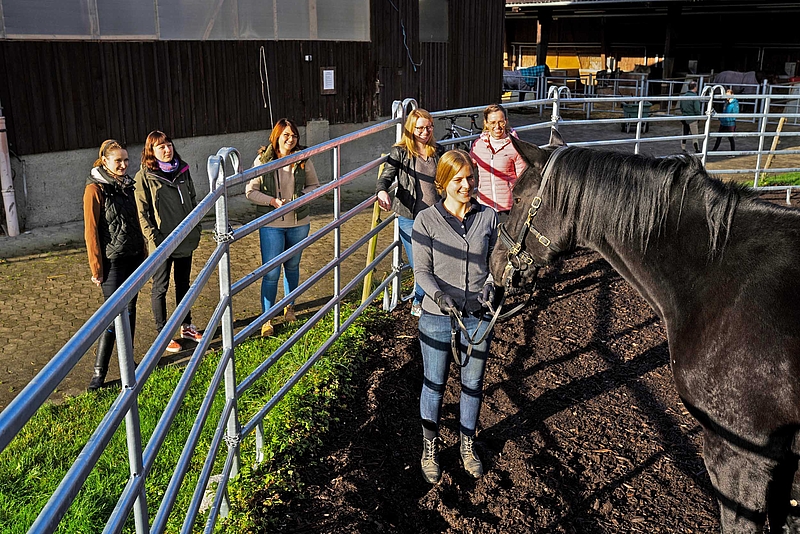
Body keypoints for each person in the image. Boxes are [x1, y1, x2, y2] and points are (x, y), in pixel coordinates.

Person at [411, 149, 498, 484]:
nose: (466, 185)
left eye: (470, 178)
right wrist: (438, 295)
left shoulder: (488, 218)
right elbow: (421, 270)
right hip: (437, 315)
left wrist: (491, 284)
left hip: (478, 315)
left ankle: (466, 444)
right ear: (443, 182)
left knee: (473, 384)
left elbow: (495, 262)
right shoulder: (426, 220)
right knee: (434, 384)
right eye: (458, 179)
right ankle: (429, 448)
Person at [246, 119, 320, 337]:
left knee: (293, 266)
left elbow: (314, 185)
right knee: (271, 272)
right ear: (276, 136)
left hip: (298, 222)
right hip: (272, 224)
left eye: (294, 135)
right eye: (286, 135)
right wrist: (272, 202)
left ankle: (290, 307)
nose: (291, 139)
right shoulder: (263, 159)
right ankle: (266, 318)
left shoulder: (303, 159)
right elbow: (250, 191)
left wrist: (300, 199)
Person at [83, 140, 145, 390]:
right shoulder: (95, 189)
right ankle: (99, 374)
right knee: (112, 317)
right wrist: (96, 268)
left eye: (126, 160)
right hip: (112, 263)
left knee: (130, 312)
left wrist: (143, 253)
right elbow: (91, 232)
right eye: (117, 160)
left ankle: (127, 364)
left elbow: (134, 222)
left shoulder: (128, 186)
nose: (123, 165)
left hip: (132, 258)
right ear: (105, 161)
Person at [134, 131, 203, 353]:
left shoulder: (182, 170)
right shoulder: (144, 176)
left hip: (185, 238)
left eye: (169, 144)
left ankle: (187, 326)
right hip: (162, 243)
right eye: (160, 146)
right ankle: (162, 333)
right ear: (151, 152)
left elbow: (192, 199)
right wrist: (154, 238)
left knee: (184, 283)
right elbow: (142, 213)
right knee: (160, 287)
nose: (167, 149)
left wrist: (196, 226)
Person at [376, 108, 445, 318]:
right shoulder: (400, 152)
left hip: (436, 216)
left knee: (436, 261)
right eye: (421, 128)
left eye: (429, 126)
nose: (426, 131)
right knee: (420, 264)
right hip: (410, 216)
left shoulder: (439, 151)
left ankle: (431, 299)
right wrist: (382, 192)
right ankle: (419, 300)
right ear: (411, 129)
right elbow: (386, 176)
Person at [469, 103, 526, 220]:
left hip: (509, 207)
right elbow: (468, 168)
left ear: (506, 121)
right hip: (484, 206)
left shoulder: (515, 146)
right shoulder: (478, 145)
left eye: (501, 122)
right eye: (493, 122)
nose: (497, 126)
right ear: (486, 123)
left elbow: (523, 178)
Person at [680, 81, 702, 153]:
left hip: (684, 117)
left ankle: (683, 147)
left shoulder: (684, 97)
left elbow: (681, 108)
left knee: (685, 133)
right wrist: (698, 117)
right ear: (695, 87)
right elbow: (697, 109)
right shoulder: (695, 97)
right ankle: (696, 148)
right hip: (692, 118)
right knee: (694, 134)